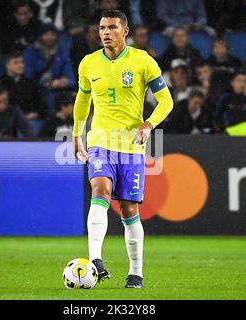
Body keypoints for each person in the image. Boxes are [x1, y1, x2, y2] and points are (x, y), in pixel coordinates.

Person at [73, 10, 173, 289]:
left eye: (112, 27)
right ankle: (95, 261)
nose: (105, 32)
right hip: (100, 142)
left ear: (125, 31)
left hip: (131, 147)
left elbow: (167, 101)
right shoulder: (89, 63)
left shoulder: (143, 61)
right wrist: (77, 133)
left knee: (128, 208)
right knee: (100, 190)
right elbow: (82, 101)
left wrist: (149, 124)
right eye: (102, 27)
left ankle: (136, 273)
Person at [0, 51, 46, 121]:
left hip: (29, 123)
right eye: (16, 63)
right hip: (7, 123)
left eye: (22, 62)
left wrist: (35, 114)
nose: (20, 65)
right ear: (7, 65)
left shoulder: (31, 84)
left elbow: (42, 106)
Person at [23, 24, 75, 90]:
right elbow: (28, 77)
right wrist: (46, 84)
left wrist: (64, 82)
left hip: (58, 90)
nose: (49, 37)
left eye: (52, 34)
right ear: (40, 36)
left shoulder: (61, 52)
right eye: (46, 34)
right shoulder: (31, 52)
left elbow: (70, 77)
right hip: (36, 91)